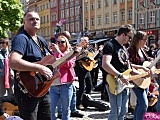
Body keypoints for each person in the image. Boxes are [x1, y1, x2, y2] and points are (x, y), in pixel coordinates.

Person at [9, 11, 53, 120]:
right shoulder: (21, 38)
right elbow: (13, 62)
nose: (35, 21)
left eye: (37, 19)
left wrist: (71, 56)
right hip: (27, 90)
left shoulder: (41, 40)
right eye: (31, 19)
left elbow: (49, 62)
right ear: (24, 22)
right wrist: (39, 67)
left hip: (42, 88)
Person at [102, 24, 139, 120]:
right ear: (123, 34)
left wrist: (141, 74)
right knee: (115, 112)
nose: (130, 40)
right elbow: (105, 64)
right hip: (114, 82)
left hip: (124, 83)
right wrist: (120, 75)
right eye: (129, 37)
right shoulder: (110, 45)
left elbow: (127, 67)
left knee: (123, 111)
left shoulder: (123, 48)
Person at [49, 35, 83, 120]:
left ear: (66, 43)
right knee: (51, 110)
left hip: (66, 85)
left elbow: (69, 65)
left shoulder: (71, 53)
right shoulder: (53, 54)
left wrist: (59, 53)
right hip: (53, 85)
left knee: (65, 110)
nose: (60, 43)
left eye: (62, 42)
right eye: (58, 42)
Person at [128, 31, 153, 120]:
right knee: (144, 104)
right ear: (139, 40)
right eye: (144, 40)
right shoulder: (131, 50)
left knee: (140, 103)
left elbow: (144, 63)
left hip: (144, 80)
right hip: (136, 79)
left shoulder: (142, 50)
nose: (146, 41)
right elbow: (129, 65)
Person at [74, 37, 93, 109]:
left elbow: (90, 58)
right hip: (80, 69)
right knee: (82, 87)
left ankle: (87, 100)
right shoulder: (78, 49)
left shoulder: (87, 49)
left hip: (86, 69)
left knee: (89, 85)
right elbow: (74, 59)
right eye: (85, 41)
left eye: (87, 41)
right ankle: (78, 103)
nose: (87, 43)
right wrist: (82, 56)